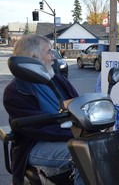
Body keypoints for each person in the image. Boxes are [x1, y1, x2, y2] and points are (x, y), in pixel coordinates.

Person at [3, 35, 84, 185]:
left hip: (70, 136)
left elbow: (78, 104)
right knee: (84, 156)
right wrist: (76, 134)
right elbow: (40, 129)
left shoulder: (57, 79)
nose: (53, 57)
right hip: (35, 146)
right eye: (49, 52)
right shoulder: (14, 91)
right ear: (34, 57)